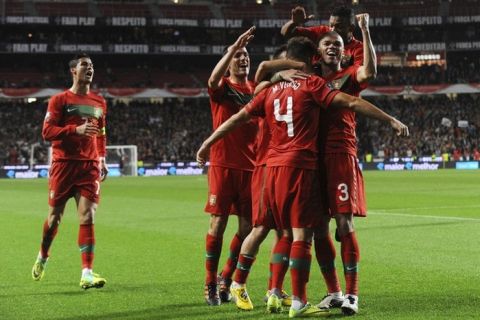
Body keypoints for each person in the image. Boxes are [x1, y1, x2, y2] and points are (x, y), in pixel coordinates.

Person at [197, 36, 409, 318]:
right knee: (300, 233)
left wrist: (207, 142)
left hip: (269, 169)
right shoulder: (313, 84)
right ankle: (298, 300)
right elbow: (350, 102)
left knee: (273, 230)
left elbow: (238, 117)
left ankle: (269, 290)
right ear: (313, 59)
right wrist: (390, 119)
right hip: (300, 166)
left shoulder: (267, 89)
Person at [31, 53, 109, 290]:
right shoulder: (59, 100)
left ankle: (86, 272)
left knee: (88, 216)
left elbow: (101, 133)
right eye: (85, 65)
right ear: (73, 71)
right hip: (63, 165)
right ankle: (43, 255)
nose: (89, 69)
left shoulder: (100, 102)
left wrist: (102, 158)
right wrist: (76, 129)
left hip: (89, 166)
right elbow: (47, 132)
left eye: (92, 65)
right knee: (54, 220)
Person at [203, 26, 258, 306]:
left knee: (248, 227)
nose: (242, 59)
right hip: (223, 164)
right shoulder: (224, 88)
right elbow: (212, 80)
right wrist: (231, 47)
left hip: (251, 168)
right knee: (218, 223)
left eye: (245, 54)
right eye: (238, 56)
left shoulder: (257, 91)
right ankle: (210, 283)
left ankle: (227, 277)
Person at [281, 6, 363, 67]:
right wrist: (294, 22)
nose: (332, 30)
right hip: (314, 85)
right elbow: (285, 33)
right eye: (331, 25)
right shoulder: (322, 32)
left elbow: (360, 75)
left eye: (339, 26)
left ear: (351, 28)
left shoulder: (359, 48)